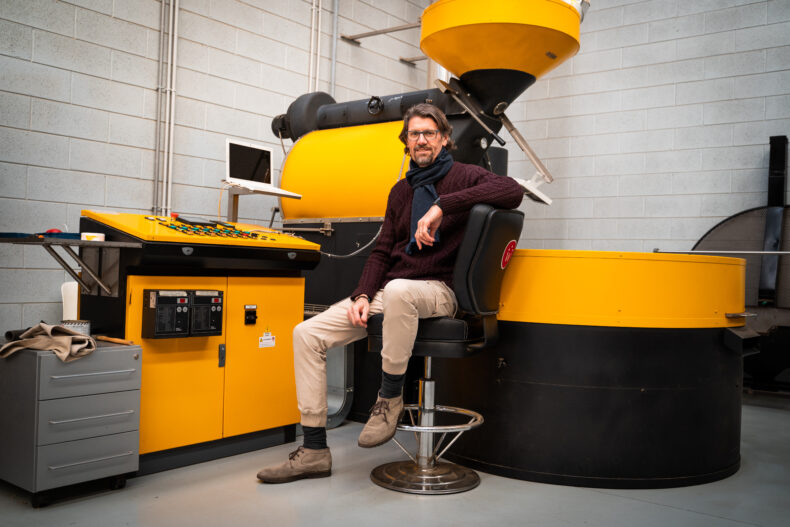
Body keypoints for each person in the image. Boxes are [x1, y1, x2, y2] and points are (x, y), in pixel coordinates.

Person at [256, 103, 524, 483]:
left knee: (398, 289)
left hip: (441, 290)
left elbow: (511, 190)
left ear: (445, 139)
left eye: (430, 133)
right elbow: (382, 250)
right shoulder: (400, 191)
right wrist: (363, 294)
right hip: (395, 291)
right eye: (414, 134)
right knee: (307, 333)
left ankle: (389, 398)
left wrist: (440, 207)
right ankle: (314, 449)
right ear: (406, 143)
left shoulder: (466, 176)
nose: (422, 140)